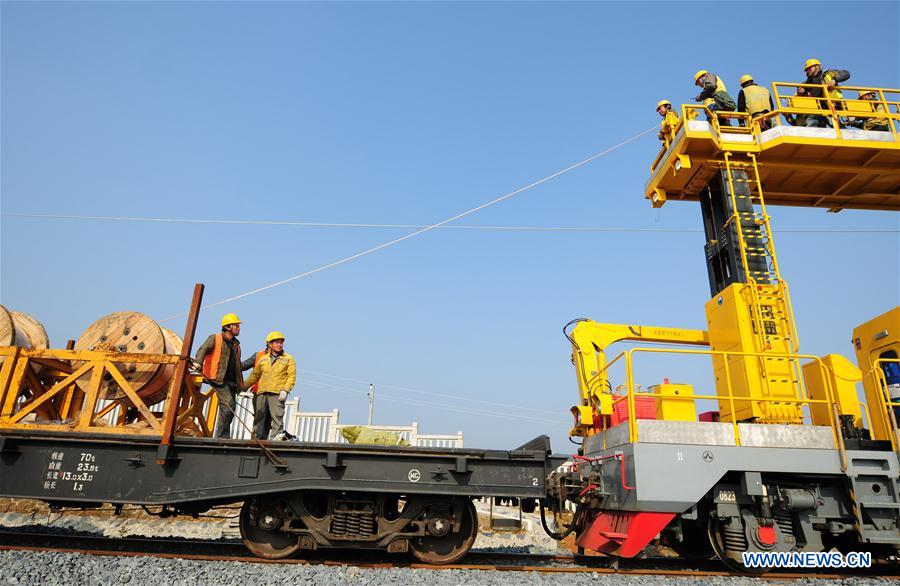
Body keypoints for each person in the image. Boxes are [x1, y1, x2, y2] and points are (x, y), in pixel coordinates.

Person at [194, 313, 244, 439]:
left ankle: (222, 436)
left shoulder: (236, 345)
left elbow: (237, 366)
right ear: (228, 327)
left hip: (232, 382)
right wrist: (198, 363)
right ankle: (222, 436)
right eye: (236, 325)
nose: (238, 328)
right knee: (228, 406)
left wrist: (240, 384)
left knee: (229, 410)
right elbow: (203, 349)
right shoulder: (215, 338)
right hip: (218, 379)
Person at [243, 331, 297, 440]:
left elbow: (291, 376)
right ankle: (257, 441)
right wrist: (243, 387)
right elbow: (255, 375)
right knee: (259, 418)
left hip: (277, 393)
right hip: (261, 393)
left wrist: (285, 390)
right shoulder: (263, 359)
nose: (279, 345)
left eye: (281, 342)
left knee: (277, 418)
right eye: (276, 342)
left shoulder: (288, 359)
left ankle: (275, 441)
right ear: (270, 344)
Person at [797, 58, 850, 127]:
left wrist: (834, 80)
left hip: (830, 107)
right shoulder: (807, 83)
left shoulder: (828, 74)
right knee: (810, 123)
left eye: (810, 68)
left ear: (817, 67)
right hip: (816, 109)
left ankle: (844, 134)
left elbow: (846, 73)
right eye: (806, 70)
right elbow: (800, 92)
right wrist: (801, 92)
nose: (808, 71)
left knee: (836, 126)